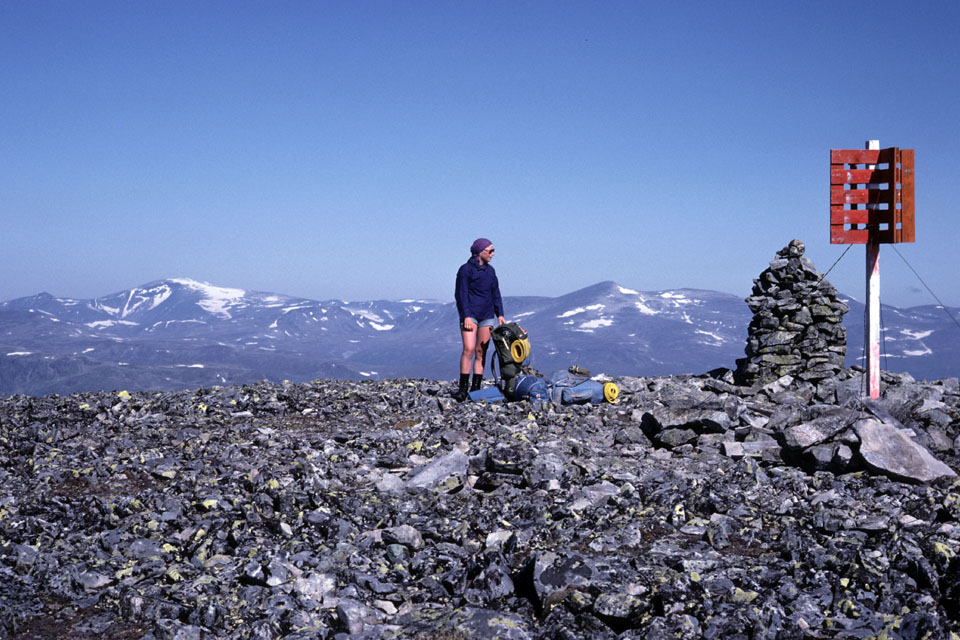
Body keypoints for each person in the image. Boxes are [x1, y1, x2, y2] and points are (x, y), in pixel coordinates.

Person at [453, 238, 505, 401]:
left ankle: (475, 389)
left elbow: (495, 293)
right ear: (480, 252)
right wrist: (466, 315)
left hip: (487, 315)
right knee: (468, 349)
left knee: (480, 352)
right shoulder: (465, 270)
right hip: (471, 316)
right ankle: (462, 389)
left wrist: (500, 315)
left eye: (493, 250)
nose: (493, 254)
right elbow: (461, 294)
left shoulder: (491, 272)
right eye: (490, 251)